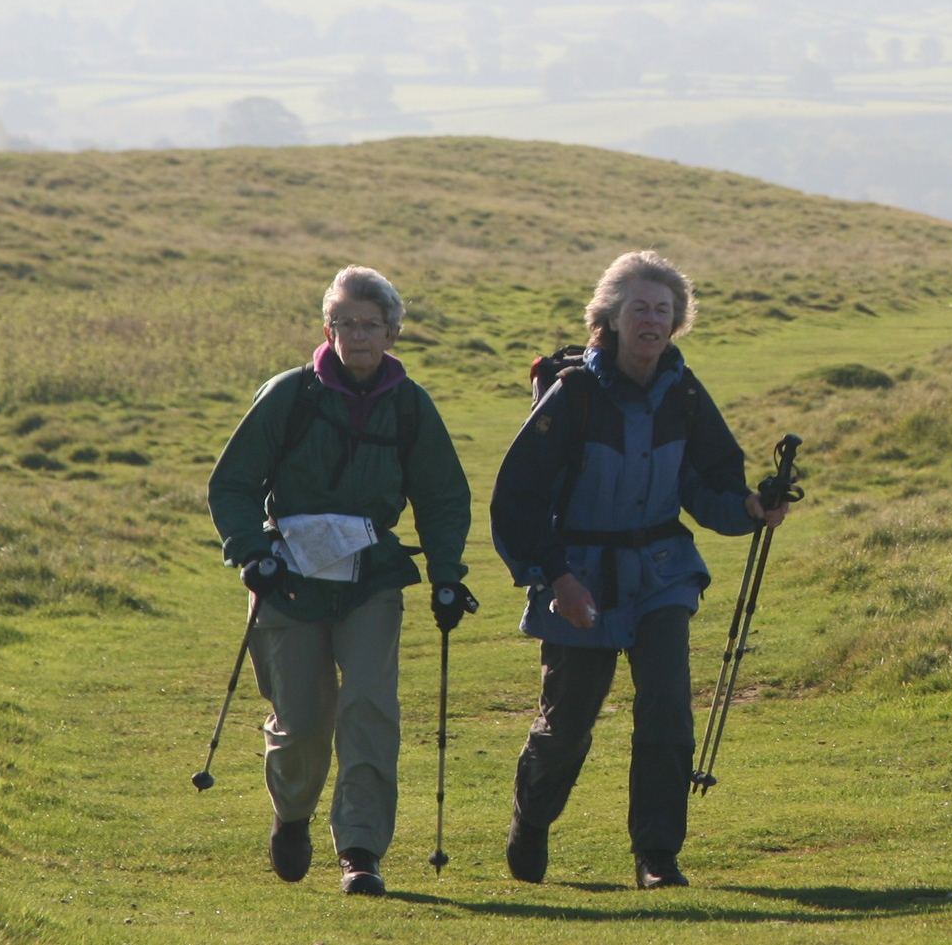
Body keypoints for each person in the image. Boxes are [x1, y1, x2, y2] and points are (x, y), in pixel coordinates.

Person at [490, 251, 791, 891]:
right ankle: (532, 817)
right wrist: (557, 579)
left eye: (663, 309)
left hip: (662, 577)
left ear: (676, 321)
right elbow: (516, 503)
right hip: (578, 578)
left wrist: (752, 508)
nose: (652, 320)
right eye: (639, 308)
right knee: (568, 724)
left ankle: (657, 857)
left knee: (666, 712)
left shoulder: (683, 394)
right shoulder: (571, 398)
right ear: (610, 318)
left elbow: (711, 486)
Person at [206, 265, 474, 898]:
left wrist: (446, 577)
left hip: (372, 578)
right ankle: (292, 813)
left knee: (370, 708)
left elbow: (441, 497)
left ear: (392, 331)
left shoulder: (411, 405)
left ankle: (361, 850)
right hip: (290, 577)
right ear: (328, 329)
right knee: (302, 719)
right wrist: (253, 552)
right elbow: (233, 483)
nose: (358, 334)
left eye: (371, 324)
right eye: (346, 323)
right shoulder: (290, 394)